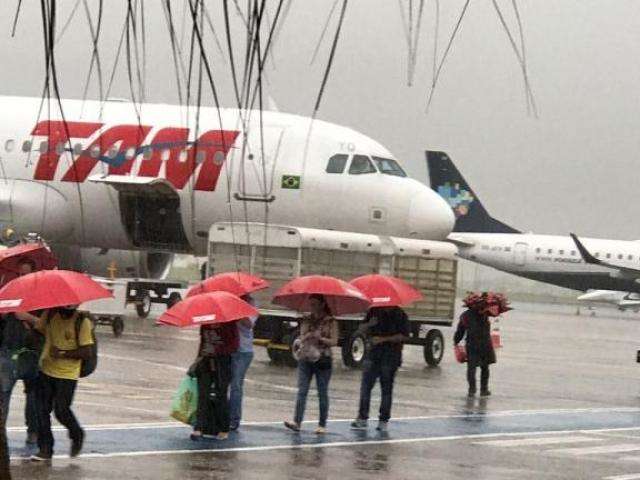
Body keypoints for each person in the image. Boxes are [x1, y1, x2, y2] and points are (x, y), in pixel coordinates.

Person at [29, 305, 94, 462]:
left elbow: (87, 352)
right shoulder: (50, 314)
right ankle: (45, 449)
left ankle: (76, 433)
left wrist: (63, 353)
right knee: (41, 411)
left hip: (67, 375)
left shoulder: (82, 321)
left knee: (61, 410)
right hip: (47, 370)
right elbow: (38, 331)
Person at [0, 258, 41, 445]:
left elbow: (47, 325)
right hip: (9, 350)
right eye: (20, 273)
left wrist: (28, 318)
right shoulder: (9, 292)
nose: (23, 277)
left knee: (33, 396)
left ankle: (33, 430)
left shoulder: (43, 296)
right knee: (4, 392)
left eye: (26, 273)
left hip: (32, 352)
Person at [350, 306, 411, 432]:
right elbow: (360, 329)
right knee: (365, 387)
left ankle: (383, 420)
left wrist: (383, 339)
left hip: (391, 356)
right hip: (372, 355)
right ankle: (362, 417)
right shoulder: (373, 311)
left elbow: (405, 336)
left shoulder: (400, 314)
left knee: (386, 390)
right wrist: (369, 324)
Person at [284, 294, 338, 434]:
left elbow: (334, 341)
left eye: (314, 304)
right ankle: (297, 421)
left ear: (322, 304)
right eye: (310, 304)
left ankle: (322, 424)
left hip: (323, 359)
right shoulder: (307, 319)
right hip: (306, 358)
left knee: (322, 392)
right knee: (302, 390)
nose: (312, 307)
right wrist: (307, 336)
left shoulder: (330, 321)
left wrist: (321, 338)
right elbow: (301, 337)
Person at [191, 321, 239, 441]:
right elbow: (202, 342)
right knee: (203, 394)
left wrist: (219, 351)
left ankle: (224, 428)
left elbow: (234, 345)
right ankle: (199, 428)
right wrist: (197, 361)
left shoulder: (230, 324)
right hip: (205, 361)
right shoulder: (205, 323)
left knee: (221, 394)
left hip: (222, 363)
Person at [453, 295, 498, 397]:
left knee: (471, 368)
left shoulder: (465, 316)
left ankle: (472, 390)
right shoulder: (485, 314)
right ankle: (484, 390)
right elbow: (495, 313)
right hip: (485, 344)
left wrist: (456, 342)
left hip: (472, 344)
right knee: (485, 367)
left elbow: (460, 331)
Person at [229, 294, 257, 431]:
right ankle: (222, 415)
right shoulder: (227, 302)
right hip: (229, 349)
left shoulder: (251, 305)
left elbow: (249, 324)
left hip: (244, 351)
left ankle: (234, 419)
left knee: (236, 384)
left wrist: (238, 309)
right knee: (224, 384)